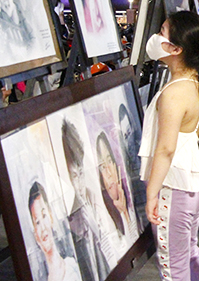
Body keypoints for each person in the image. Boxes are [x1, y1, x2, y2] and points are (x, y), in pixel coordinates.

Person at [139, 11, 199, 281]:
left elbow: (165, 149)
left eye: (161, 31)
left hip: (176, 187)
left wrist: (151, 194)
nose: (155, 37)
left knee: (173, 268)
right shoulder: (195, 82)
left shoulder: (175, 92)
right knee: (187, 252)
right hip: (195, 184)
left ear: (175, 49)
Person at [61, 120, 112, 281]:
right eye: (75, 175)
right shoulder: (71, 218)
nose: (79, 182)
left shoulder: (91, 199)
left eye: (80, 173)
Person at [28, 181, 82, 281]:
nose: (43, 228)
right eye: (37, 222)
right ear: (35, 233)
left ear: (51, 217)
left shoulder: (71, 265)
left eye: (44, 216)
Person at [96, 131, 139, 249]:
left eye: (109, 161)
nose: (109, 172)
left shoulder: (129, 201)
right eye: (103, 167)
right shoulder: (104, 220)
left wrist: (124, 211)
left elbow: (135, 243)